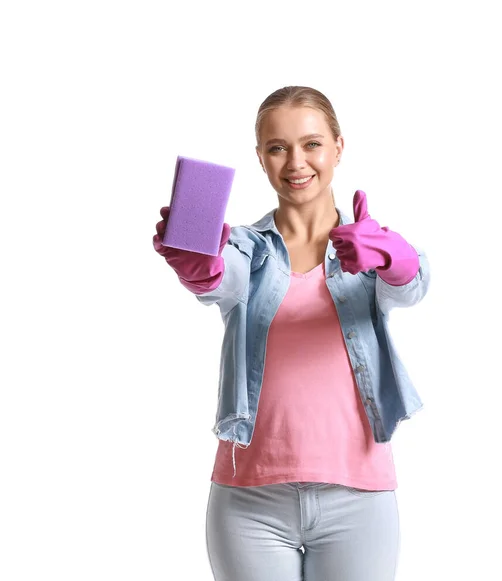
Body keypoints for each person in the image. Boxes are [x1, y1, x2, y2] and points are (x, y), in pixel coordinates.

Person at [153, 86, 430, 581]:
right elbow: (222, 278)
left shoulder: (364, 246)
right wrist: (199, 265)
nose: (296, 161)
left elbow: (410, 287)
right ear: (260, 158)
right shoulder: (243, 247)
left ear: (338, 147)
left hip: (359, 498)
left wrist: (393, 256)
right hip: (249, 502)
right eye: (278, 147)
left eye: (312, 144)